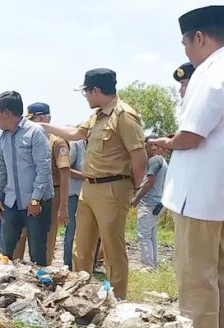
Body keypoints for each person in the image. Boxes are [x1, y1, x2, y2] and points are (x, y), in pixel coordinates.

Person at [149, 5, 224, 328]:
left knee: (197, 280)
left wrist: (166, 141)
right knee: (221, 275)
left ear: (200, 38)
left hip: (201, 196)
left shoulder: (212, 70)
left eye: (186, 44)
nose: (187, 52)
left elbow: (192, 134)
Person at [40, 68, 147, 299]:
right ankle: (81, 296)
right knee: (82, 246)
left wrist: (132, 189)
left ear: (96, 90)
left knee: (112, 249)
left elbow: (139, 158)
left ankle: (117, 299)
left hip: (113, 188)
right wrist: (44, 126)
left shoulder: (124, 116)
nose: (86, 97)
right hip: (89, 189)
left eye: (86, 92)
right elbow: (75, 133)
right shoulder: (97, 116)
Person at [0, 91, 53, 264]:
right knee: (4, 252)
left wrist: (35, 199)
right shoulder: (1, 137)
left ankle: (41, 288)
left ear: (7, 113)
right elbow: (0, 167)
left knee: (37, 253)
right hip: (11, 202)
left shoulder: (35, 132)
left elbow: (43, 168)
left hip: (36, 203)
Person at [12, 102, 69, 265]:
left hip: (52, 194)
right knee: (20, 235)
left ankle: (42, 274)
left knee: (45, 238)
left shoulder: (57, 142)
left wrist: (63, 206)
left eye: (32, 119)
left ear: (42, 118)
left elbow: (65, 174)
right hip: (29, 193)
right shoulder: (29, 140)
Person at [131, 136, 168, 270]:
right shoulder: (162, 161)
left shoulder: (154, 160)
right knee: (151, 236)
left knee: (143, 235)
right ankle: (153, 265)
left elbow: (149, 181)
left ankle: (147, 266)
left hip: (149, 203)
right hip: (158, 202)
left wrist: (136, 198)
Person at [63, 139, 86, 269]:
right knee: (71, 230)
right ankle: (68, 264)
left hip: (91, 195)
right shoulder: (76, 145)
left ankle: (88, 265)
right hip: (75, 194)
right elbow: (67, 169)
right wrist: (86, 176)